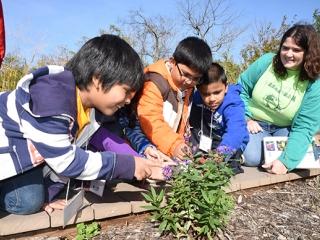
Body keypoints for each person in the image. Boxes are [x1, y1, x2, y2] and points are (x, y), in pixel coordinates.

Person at [0, 34, 168, 215]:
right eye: (126, 92)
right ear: (98, 78)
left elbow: (69, 158)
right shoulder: (53, 96)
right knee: (27, 200)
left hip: (25, 153)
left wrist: (48, 196)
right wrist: (130, 165)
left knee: (38, 195)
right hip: (6, 149)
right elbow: (67, 161)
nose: (128, 101)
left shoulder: (88, 111)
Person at [238, 24, 320, 174]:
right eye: (285, 47)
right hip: (254, 123)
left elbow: (305, 125)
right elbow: (240, 89)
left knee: (287, 156)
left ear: (308, 53)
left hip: (286, 129)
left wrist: (286, 162)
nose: (288, 54)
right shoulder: (267, 62)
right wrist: (246, 117)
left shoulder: (314, 83)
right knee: (251, 157)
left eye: (296, 50)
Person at [137, 36, 212, 160]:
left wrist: (182, 144)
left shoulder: (188, 88)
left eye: (196, 78)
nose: (189, 81)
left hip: (165, 145)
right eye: (185, 74)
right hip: (143, 144)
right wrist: (174, 145)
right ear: (172, 62)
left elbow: (182, 124)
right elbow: (151, 120)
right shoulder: (154, 82)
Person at [189, 63, 249, 161]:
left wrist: (219, 155)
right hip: (211, 138)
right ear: (199, 91)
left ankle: (237, 158)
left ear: (226, 88)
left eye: (217, 92)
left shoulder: (232, 103)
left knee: (229, 163)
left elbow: (235, 132)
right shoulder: (196, 98)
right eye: (205, 94)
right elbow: (194, 126)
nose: (212, 99)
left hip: (233, 141)